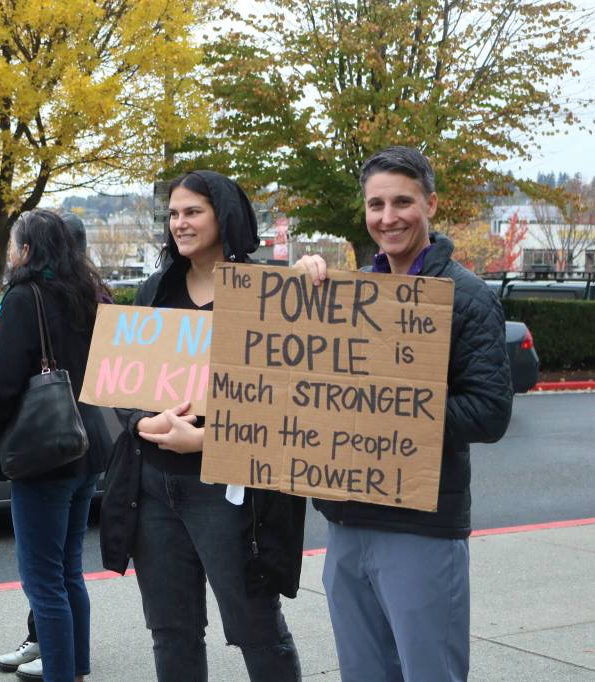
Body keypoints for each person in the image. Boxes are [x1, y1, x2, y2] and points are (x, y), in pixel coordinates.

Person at [294, 146, 513, 681]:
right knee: (363, 673)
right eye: (376, 205)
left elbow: (489, 413)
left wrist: (390, 408)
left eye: (402, 202)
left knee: (428, 673)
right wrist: (295, 288)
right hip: (346, 521)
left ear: (430, 204)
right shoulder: (346, 294)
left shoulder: (466, 297)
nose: (387, 217)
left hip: (421, 526)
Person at [100, 170, 305, 681]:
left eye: (192, 212)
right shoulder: (154, 289)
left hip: (228, 491)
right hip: (152, 491)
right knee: (170, 630)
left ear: (224, 216)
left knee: (255, 625)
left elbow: (289, 402)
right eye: (173, 214)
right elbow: (125, 386)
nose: (179, 223)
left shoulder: (267, 292)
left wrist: (208, 441)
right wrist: (145, 419)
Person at [0, 209, 109, 682]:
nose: (11, 252)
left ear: (27, 250)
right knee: (69, 570)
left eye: (14, 244)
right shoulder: (86, 296)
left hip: (44, 453)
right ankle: (74, 668)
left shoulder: (23, 297)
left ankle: (60, 672)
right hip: (87, 446)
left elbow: (3, 384)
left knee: (43, 580)